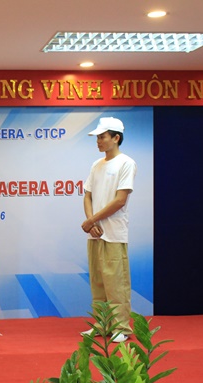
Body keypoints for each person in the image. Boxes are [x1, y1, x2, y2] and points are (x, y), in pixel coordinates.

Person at [81, 117, 137, 343]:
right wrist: (91, 223)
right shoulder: (97, 164)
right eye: (97, 138)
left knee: (116, 284)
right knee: (98, 284)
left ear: (116, 138)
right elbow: (88, 196)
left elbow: (120, 200)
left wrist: (92, 220)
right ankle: (101, 324)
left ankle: (121, 327)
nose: (98, 141)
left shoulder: (126, 163)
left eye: (102, 137)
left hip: (114, 233)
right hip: (95, 233)